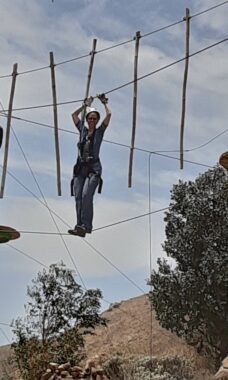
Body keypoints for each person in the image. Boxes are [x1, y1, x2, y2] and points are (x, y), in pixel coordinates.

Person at [68, 94, 111, 237]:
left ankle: (86, 225)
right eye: (90, 118)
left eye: (94, 118)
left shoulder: (99, 132)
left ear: (97, 120)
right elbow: (73, 115)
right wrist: (85, 105)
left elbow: (109, 115)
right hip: (80, 169)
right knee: (78, 197)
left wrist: (103, 103)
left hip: (93, 169)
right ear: (87, 120)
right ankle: (79, 225)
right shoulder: (83, 131)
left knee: (87, 196)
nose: (92, 120)